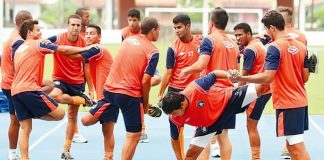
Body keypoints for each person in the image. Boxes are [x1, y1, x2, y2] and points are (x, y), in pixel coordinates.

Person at [11, 19, 96, 160]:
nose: (41, 33)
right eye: (38, 30)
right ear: (29, 32)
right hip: (30, 89)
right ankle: (82, 100)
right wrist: (86, 49)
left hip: (16, 91)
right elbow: (63, 49)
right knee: (60, 114)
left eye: (78, 25)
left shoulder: (20, 48)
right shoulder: (39, 44)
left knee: (26, 128)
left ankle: (26, 158)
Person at [232, 10, 311, 160]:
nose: (266, 32)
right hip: (300, 100)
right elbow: (305, 77)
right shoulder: (301, 46)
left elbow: (268, 77)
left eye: (267, 29)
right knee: (292, 145)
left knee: (296, 147)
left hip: (287, 102)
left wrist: (242, 77)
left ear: (272, 28)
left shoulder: (274, 47)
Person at [161, 69, 270, 160]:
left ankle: (279, 72)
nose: (175, 116)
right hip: (208, 125)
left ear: (182, 103)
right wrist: (179, 158)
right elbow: (175, 138)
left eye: (175, 113)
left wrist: (229, 75)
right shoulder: (173, 117)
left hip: (227, 101)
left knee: (263, 87)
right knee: (190, 156)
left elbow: (214, 74)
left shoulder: (196, 88)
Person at [180, 7, 240, 160]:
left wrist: (186, 70)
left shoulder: (210, 39)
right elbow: (236, 73)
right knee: (223, 136)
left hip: (211, 95)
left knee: (203, 136)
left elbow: (201, 65)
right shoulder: (233, 43)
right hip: (229, 94)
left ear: (211, 23)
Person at [98, 17, 160, 160]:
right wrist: (145, 103)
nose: (159, 33)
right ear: (153, 30)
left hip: (109, 91)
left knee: (87, 120)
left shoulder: (127, 40)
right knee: (134, 136)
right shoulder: (153, 51)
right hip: (128, 95)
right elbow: (145, 80)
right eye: (159, 30)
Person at [63, 23, 114, 160]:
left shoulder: (97, 48)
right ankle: (108, 157)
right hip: (109, 96)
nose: (88, 36)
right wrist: (91, 90)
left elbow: (75, 56)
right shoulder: (92, 53)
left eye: (92, 33)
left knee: (85, 120)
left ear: (99, 37)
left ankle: (83, 101)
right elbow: (86, 69)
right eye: (86, 34)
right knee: (107, 132)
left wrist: (54, 48)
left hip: (108, 97)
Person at [47, 14, 94, 159]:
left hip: (77, 82)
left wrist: (91, 89)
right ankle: (81, 100)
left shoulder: (84, 43)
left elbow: (86, 68)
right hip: (60, 79)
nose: (75, 27)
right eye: (72, 25)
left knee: (72, 116)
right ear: (68, 25)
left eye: (78, 25)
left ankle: (66, 151)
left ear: (81, 28)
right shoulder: (58, 38)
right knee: (54, 95)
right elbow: (44, 43)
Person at [157, 14, 201, 160]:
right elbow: (168, 72)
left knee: (202, 123)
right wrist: (161, 93)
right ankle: (179, 158)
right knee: (175, 129)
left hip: (195, 91)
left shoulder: (200, 42)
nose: (176, 30)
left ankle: (208, 148)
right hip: (176, 91)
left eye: (179, 27)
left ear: (188, 26)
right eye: (174, 28)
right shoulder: (172, 47)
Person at [121, 8, 161, 143]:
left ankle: (140, 91)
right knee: (137, 96)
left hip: (146, 61)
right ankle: (143, 129)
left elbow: (147, 52)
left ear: (139, 21)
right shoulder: (124, 33)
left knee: (157, 79)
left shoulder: (144, 31)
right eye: (130, 20)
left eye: (135, 20)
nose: (132, 23)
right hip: (133, 66)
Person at [234, 22, 271, 160]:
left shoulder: (250, 50)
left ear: (249, 34)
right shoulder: (257, 42)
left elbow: (244, 75)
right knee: (251, 124)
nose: (237, 38)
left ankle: (256, 158)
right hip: (264, 88)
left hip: (258, 91)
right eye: (236, 35)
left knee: (251, 125)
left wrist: (235, 94)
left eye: (240, 35)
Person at [0, 10, 32, 160]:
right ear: (22, 22)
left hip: (11, 83)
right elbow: (18, 63)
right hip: (12, 85)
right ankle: (13, 154)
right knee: (17, 121)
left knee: (17, 120)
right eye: (30, 22)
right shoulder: (16, 40)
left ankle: (13, 154)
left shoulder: (16, 36)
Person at [73, 7, 91, 144]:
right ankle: (74, 132)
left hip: (83, 74)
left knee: (75, 106)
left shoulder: (87, 34)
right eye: (86, 16)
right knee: (73, 108)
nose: (88, 19)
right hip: (74, 76)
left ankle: (74, 131)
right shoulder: (76, 36)